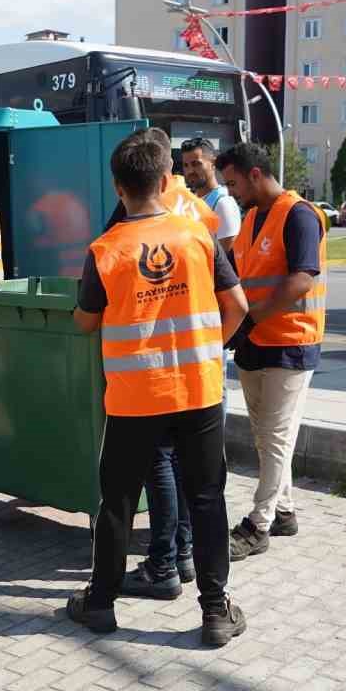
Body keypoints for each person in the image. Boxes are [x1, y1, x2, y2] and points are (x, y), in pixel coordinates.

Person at [70, 131, 250, 646]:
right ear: (168, 180)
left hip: (133, 398)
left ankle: (100, 603)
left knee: (118, 501)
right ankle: (216, 612)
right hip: (198, 391)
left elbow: (85, 321)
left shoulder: (105, 250)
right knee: (208, 498)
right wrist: (211, 348)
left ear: (116, 187)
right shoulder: (197, 237)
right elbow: (237, 306)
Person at [215, 142, 327, 561]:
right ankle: (284, 511)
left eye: (234, 183)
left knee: (277, 438)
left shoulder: (298, 215)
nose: (232, 192)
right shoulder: (250, 219)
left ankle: (257, 525)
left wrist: (249, 319)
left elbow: (301, 281)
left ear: (256, 174)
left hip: (290, 343)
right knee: (265, 438)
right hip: (254, 344)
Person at [179, 138, 243, 253]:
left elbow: (226, 258)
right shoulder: (188, 201)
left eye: (196, 164)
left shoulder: (223, 203)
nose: (190, 171)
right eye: (186, 165)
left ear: (213, 163)